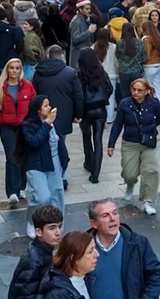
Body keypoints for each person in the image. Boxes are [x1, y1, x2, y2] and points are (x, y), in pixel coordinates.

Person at [0, 205, 64, 299]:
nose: (58, 232)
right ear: (38, 232)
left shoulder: (43, 252)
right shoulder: (34, 260)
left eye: (60, 226)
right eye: (52, 228)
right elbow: (25, 298)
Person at [107, 76, 160, 215]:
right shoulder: (124, 104)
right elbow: (117, 124)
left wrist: (151, 127)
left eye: (139, 90)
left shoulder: (153, 103)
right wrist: (111, 144)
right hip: (130, 142)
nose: (136, 92)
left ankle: (148, 201)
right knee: (129, 173)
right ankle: (130, 183)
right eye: (134, 89)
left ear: (146, 91)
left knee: (151, 171)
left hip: (149, 142)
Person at [0, 58, 35, 209]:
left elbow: (34, 107)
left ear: (21, 70)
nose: (14, 71)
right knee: (12, 157)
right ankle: (12, 192)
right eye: (12, 68)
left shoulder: (28, 86)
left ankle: (21, 187)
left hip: (24, 127)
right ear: (7, 70)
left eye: (17, 68)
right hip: (7, 127)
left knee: (24, 158)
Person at [32, 45, 84, 176]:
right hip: (64, 112)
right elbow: (78, 95)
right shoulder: (70, 72)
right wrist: (78, 114)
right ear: (62, 55)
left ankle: (49, 169)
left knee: (46, 141)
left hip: (43, 113)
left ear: (48, 55)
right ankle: (61, 171)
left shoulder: (39, 72)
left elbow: (34, 93)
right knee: (60, 142)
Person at [17, 95, 65, 213]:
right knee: (42, 198)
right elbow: (34, 142)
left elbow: (59, 142)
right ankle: (32, 221)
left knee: (57, 195)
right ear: (38, 110)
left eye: (49, 105)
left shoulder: (54, 122)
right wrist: (47, 124)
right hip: (36, 163)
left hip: (54, 161)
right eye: (46, 106)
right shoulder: (27, 125)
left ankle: (57, 225)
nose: (49, 108)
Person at [75, 48, 114, 185]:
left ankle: (89, 163)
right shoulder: (101, 72)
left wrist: (77, 111)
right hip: (100, 109)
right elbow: (110, 88)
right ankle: (95, 173)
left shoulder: (79, 74)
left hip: (86, 110)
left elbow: (78, 94)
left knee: (86, 137)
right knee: (98, 140)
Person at [142, 9, 160, 103]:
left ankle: (151, 109)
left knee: (148, 89)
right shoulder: (159, 38)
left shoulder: (146, 39)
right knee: (158, 88)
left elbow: (147, 54)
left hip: (149, 65)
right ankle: (159, 107)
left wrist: (143, 61)